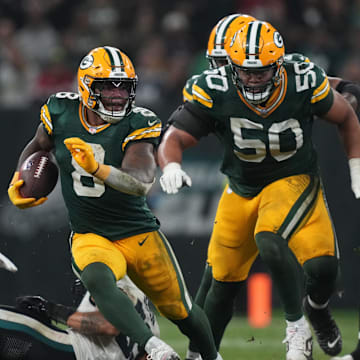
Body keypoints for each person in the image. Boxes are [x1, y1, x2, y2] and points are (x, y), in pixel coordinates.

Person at [157, 19, 360, 360]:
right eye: (229, 65)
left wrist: (349, 97)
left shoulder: (296, 75)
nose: (245, 76)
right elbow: (176, 134)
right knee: (218, 278)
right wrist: (171, 162)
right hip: (242, 184)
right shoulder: (212, 87)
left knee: (309, 261)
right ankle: (200, 354)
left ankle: (300, 325)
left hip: (291, 178)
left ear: (274, 63)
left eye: (258, 69)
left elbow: (339, 95)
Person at [7, 46, 222, 360]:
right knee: (96, 277)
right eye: (108, 85)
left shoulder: (138, 121)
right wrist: (20, 178)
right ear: (86, 86)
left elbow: (141, 181)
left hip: (138, 232)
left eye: (124, 86)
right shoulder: (60, 111)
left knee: (183, 311)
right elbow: (38, 145)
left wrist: (99, 169)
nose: (118, 94)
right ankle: (153, 347)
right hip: (91, 233)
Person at [0, 276, 159, 360]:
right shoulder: (135, 289)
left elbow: (108, 325)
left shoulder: (109, 273)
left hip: (73, 352)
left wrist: (50, 309)